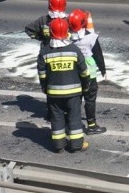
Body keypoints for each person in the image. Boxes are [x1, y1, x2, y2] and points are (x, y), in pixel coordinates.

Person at [38, 17, 90, 153]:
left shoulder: (45, 51)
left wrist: (45, 88)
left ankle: (58, 145)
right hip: (74, 93)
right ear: (67, 31)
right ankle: (77, 144)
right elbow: (84, 71)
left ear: (51, 32)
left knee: (57, 118)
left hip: (54, 93)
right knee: (74, 117)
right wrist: (85, 87)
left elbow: (42, 74)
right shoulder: (74, 50)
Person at [68, 8, 107, 135]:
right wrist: (103, 70)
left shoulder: (67, 38)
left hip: (73, 74)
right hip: (89, 74)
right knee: (90, 99)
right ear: (84, 23)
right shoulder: (91, 37)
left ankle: (73, 124)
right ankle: (91, 125)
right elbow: (98, 55)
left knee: (75, 100)